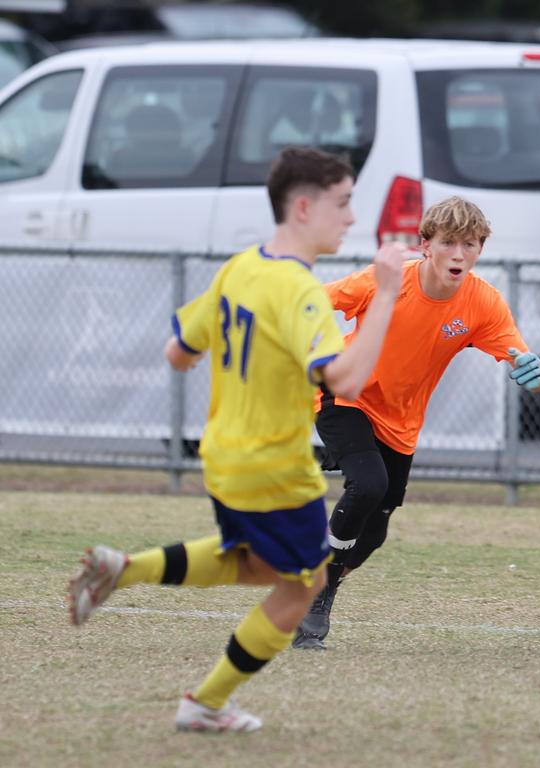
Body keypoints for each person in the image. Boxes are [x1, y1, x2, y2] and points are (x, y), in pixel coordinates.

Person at [66, 146, 409, 732]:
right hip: (274, 465)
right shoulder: (300, 292)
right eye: (344, 203)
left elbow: (178, 354)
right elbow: (345, 378)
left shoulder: (239, 267)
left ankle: (124, 568)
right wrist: (386, 293)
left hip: (223, 459)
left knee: (254, 564)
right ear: (303, 207)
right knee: (303, 586)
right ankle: (205, 702)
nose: (353, 218)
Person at [292, 195, 540, 650]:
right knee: (367, 485)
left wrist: (537, 372)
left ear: (480, 249)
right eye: (448, 242)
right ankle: (316, 593)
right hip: (345, 395)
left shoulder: (483, 303)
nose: (458, 254)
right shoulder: (388, 282)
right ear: (424, 244)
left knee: (375, 531)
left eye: (469, 244)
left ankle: (322, 572)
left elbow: (525, 360)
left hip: (401, 421)